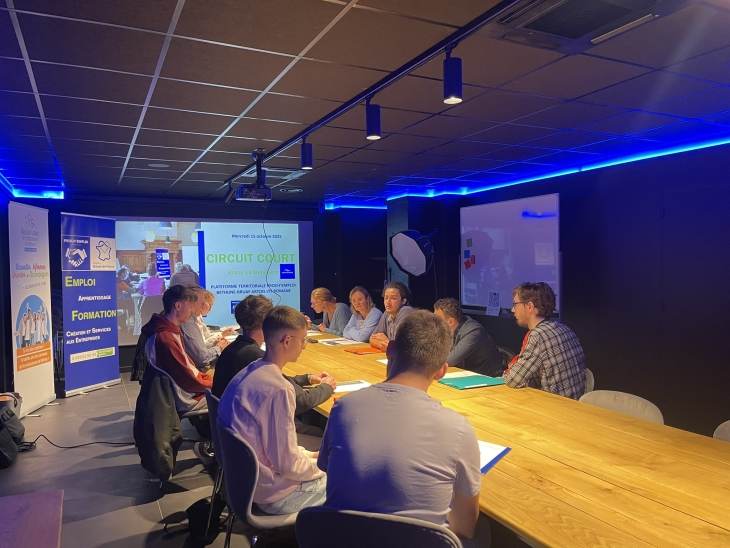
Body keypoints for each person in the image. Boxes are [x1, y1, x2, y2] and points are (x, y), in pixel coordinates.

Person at [319, 311, 484, 546]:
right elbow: (466, 528)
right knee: (483, 532)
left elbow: (330, 473)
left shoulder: (343, 407)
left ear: (390, 350)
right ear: (441, 371)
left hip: (341, 540)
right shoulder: (459, 429)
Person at [218, 306, 327, 515]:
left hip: (245, 483)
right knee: (351, 480)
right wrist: (323, 465)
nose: (304, 346)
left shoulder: (248, 373)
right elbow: (288, 465)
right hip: (274, 493)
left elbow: (274, 448)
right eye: (303, 340)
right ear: (287, 340)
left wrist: (309, 455)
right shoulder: (279, 389)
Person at [212, 295, 336, 438]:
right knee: (321, 435)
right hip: (252, 433)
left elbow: (278, 381)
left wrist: (307, 378)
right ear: (269, 322)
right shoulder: (254, 357)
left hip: (232, 430)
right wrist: (326, 387)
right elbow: (299, 400)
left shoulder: (237, 348)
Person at [503, 282, 586, 400]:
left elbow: (513, 380)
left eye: (515, 304)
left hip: (556, 406)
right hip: (577, 403)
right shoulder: (564, 328)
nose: (512, 310)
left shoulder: (538, 336)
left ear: (530, 307)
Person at [141, 285, 212, 414]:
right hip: (187, 398)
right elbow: (189, 380)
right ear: (178, 306)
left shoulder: (168, 331)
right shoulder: (166, 339)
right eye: (190, 307)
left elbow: (187, 370)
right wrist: (213, 382)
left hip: (186, 390)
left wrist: (207, 378)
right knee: (231, 391)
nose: (192, 311)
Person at [434, 298, 504, 377]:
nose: (434, 322)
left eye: (437, 319)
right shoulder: (449, 330)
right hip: (467, 374)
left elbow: (449, 361)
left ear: (451, 321)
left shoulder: (473, 331)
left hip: (489, 377)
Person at [179, 285, 228, 369]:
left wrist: (214, 346)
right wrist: (219, 347)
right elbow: (201, 357)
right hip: (197, 370)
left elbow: (199, 350)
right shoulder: (187, 321)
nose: (203, 307)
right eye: (202, 303)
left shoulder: (191, 319)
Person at [369, 281, 414, 351]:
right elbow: (372, 339)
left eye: (393, 298)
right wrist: (381, 344)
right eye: (386, 298)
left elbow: (399, 347)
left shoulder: (406, 311)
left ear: (403, 301)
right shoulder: (387, 312)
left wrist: (388, 344)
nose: (388, 302)